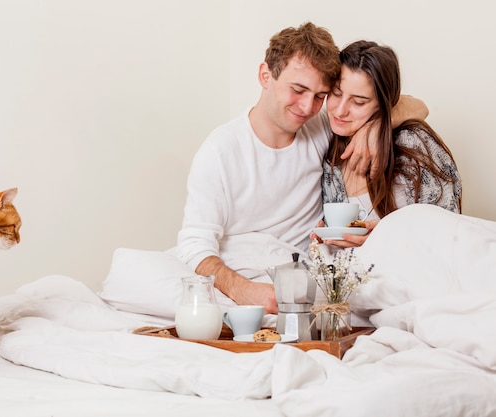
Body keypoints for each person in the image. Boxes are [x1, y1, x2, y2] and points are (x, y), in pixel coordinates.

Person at [176, 23, 426, 314]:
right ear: (265, 75)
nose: (308, 107)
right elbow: (194, 244)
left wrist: (377, 126)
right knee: (142, 274)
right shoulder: (220, 150)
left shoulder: (319, 127)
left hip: (300, 271)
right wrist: (246, 291)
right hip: (240, 271)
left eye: (320, 95)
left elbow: (417, 105)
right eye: (298, 90)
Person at [317, 40, 462, 248]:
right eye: (336, 93)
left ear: (384, 102)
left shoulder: (413, 143)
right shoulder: (328, 148)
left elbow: (450, 236)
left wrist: (382, 241)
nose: (340, 111)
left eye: (358, 102)